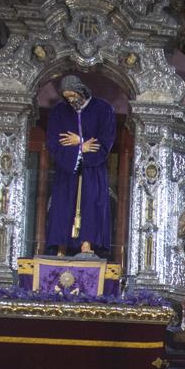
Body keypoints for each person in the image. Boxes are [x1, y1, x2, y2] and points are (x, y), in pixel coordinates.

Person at [46, 75, 115, 257]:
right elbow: (54, 143)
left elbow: (104, 142)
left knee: (90, 204)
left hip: (93, 171)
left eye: (73, 96)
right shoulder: (59, 112)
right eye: (67, 97)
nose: (71, 101)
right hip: (66, 170)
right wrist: (79, 149)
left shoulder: (103, 109)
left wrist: (81, 142)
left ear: (81, 92)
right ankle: (61, 247)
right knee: (63, 206)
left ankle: (87, 245)